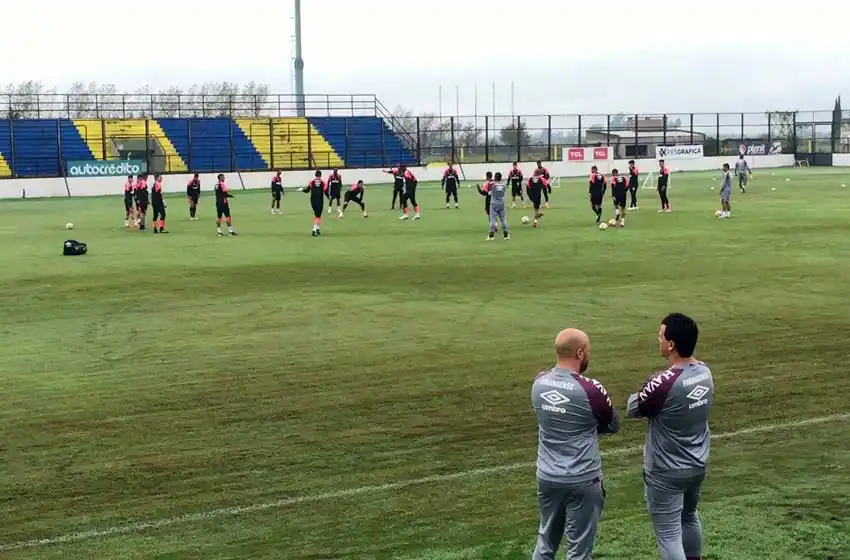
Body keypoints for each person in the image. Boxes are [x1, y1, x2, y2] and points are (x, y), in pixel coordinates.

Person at [627, 313, 713, 560]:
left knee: (668, 534)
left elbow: (634, 408)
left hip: (666, 471)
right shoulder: (704, 372)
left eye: (661, 335)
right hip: (696, 463)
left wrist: (648, 385)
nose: (658, 339)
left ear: (671, 344)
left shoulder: (664, 383)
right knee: (689, 516)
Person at [531, 328, 619, 560]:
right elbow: (612, 424)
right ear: (580, 353)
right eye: (588, 351)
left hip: (548, 476)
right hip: (583, 478)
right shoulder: (591, 389)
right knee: (579, 551)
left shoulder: (539, 383)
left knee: (545, 542)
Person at [485, 172, 510, 240]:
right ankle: (506, 235)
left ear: (495, 177)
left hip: (494, 204)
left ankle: (491, 235)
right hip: (501, 203)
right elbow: (504, 192)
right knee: (503, 220)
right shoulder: (503, 185)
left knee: (492, 220)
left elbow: (488, 192)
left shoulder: (493, 185)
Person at [302, 170, 326, 236]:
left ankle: (317, 229)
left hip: (312, 201)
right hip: (320, 200)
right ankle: (314, 230)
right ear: (320, 175)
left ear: (315, 175)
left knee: (316, 214)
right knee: (318, 216)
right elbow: (326, 190)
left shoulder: (311, 182)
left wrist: (301, 189)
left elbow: (307, 190)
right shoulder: (323, 182)